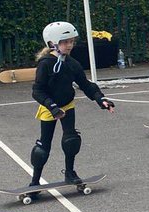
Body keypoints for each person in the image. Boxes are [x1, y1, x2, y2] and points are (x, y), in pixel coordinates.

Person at [29, 21, 115, 192]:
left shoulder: (72, 63)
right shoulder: (45, 63)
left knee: (71, 140)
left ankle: (70, 172)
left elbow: (86, 84)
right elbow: (37, 91)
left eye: (71, 41)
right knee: (43, 147)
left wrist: (101, 99)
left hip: (67, 105)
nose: (70, 45)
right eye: (65, 42)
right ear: (53, 43)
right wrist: (52, 107)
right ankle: (35, 181)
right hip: (49, 108)